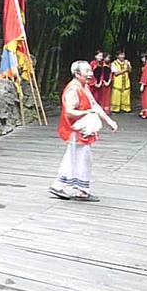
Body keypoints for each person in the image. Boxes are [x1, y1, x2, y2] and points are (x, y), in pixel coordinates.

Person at [49, 61, 118, 202]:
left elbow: (94, 104)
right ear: (77, 73)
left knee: (74, 157)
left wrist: (108, 120)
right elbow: (69, 112)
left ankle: (62, 185)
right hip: (76, 129)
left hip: (81, 128)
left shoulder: (84, 86)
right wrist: (87, 112)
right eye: (87, 71)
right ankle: (78, 189)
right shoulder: (73, 90)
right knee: (82, 158)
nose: (90, 73)